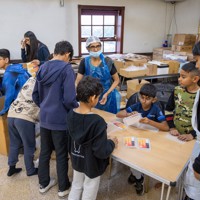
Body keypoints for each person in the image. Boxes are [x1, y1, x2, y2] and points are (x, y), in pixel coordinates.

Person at [32, 41, 78, 198]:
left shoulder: (42, 67)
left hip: (44, 118)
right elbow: (69, 98)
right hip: (60, 119)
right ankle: (63, 187)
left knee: (44, 152)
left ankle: (43, 183)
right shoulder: (67, 69)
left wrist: (45, 106)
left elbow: (35, 95)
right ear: (67, 54)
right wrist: (75, 107)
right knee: (61, 153)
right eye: (69, 57)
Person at [67, 76, 118, 200]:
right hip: (92, 164)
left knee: (76, 185)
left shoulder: (71, 114)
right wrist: (112, 142)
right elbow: (101, 151)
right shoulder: (97, 121)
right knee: (89, 188)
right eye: (98, 96)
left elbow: (69, 140)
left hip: (76, 159)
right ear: (92, 98)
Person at [116, 83, 169, 196]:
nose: (144, 101)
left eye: (147, 99)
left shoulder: (155, 109)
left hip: (150, 140)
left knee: (139, 158)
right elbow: (118, 114)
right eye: (142, 97)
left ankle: (138, 178)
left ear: (154, 99)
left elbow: (165, 127)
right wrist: (129, 114)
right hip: (136, 136)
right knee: (130, 154)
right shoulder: (136, 106)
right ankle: (136, 174)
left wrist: (150, 122)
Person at [7, 65, 39, 177]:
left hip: (12, 113)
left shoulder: (30, 79)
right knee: (29, 145)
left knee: (14, 143)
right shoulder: (43, 82)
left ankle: (11, 168)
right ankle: (30, 170)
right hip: (25, 117)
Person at [75, 36, 120, 114]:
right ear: (88, 48)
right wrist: (79, 95)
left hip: (107, 97)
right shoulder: (84, 62)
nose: (95, 49)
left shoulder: (107, 61)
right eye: (92, 47)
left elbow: (116, 80)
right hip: (90, 97)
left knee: (108, 119)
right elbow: (77, 82)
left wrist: (107, 93)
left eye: (98, 46)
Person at [165, 62, 200, 141]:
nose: (179, 79)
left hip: (193, 138)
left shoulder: (199, 95)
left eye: (183, 77)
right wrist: (172, 127)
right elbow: (168, 110)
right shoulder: (177, 90)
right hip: (175, 135)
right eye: (179, 76)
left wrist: (192, 135)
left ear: (195, 79)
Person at [0, 49, 30, 116]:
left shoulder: (10, 73)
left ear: (6, 60)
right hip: (28, 104)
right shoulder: (19, 68)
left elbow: (9, 93)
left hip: (18, 106)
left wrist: (4, 109)